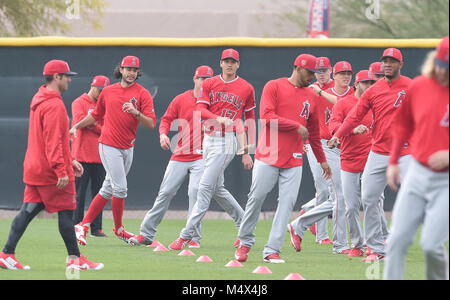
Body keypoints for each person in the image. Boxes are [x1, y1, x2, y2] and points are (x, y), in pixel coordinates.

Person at [0, 60, 103, 270]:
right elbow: (53, 140)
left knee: (27, 211)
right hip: (50, 172)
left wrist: (71, 160)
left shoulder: (39, 98)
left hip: (35, 167)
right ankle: (75, 258)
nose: (69, 80)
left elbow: (56, 139)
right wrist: (61, 169)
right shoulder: (54, 104)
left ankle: (6, 253)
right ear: (56, 77)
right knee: (66, 212)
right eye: (66, 76)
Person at [129, 65, 244, 248]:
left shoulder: (215, 102)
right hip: (180, 153)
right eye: (201, 79)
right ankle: (146, 233)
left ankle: (193, 238)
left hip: (202, 155)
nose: (204, 82)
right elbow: (166, 120)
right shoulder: (181, 99)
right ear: (194, 79)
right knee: (165, 193)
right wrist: (163, 134)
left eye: (208, 79)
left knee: (195, 193)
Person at [234, 54, 332, 263]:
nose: (312, 77)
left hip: (294, 158)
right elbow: (267, 118)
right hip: (268, 153)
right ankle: (244, 241)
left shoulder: (312, 95)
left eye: (314, 73)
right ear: (297, 68)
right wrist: (295, 126)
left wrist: (322, 159)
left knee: (287, 204)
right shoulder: (274, 86)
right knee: (256, 198)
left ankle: (271, 250)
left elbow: (313, 132)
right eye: (309, 72)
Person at [328, 48, 412, 261]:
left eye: (392, 61)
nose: (388, 64)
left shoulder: (412, 86)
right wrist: (338, 135)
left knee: (416, 195)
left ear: (400, 64)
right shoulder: (374, 91)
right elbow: (354, 117)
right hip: (379, 151)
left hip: (406, 151)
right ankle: (376, 249)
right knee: (368, 198)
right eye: (385, 61)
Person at [168, 49, 255, 251]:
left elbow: (248, 118)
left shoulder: (246, 88)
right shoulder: (209, 83)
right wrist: (217, 119)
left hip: (226, 142)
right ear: (221, 63)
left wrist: (246, 149)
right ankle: (244, 224)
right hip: (208, 139)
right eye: (226, 61)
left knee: (203, 188)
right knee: (217, 189)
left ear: (238, 65)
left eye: (233, 61)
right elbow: (200, 110)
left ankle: (185, 236)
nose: (230, 64)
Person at [70, 56, 156, 245]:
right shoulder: (108, 92)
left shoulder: (143, 94)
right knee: (121, 188)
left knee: (108, 188)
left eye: (134, 70)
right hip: (108, 145)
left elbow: (151, 124)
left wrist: (137, 113)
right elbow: (95, 115)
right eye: (128, 69)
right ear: (121, 70)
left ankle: (82, 225)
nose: (131, 73)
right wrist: (76, 126)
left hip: (128, 147)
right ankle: (118, 229)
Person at [384, 36, 449, 280]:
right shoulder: (420, 86)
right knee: (396, 240)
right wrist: (392, 162)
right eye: (441, 64)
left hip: (446, 182)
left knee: (431, 245)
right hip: (417, 173)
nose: (443, 71)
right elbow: (401, 125)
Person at [288, 61, 353, 254]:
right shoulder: (312, 92)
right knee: (332, 192)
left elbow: (344, 105)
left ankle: (303, 219)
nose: (322, 74)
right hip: (324, 145)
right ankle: (328, 238)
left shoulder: (339, 92)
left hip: (346, 146)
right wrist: (302, 142)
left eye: (325, 70)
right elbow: (303, 118)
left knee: (343, 195)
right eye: (318, 71)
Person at [328, 70, 376, 257]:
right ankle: (357, 245)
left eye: (372, 83)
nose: (369, 86)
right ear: (356, 85)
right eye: (365, 83)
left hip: (371, 160)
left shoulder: (376, 105)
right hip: (348, 160)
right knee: (351, 206)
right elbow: (333, 127)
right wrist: (352, 129)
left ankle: (374, 243)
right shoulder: (343, 104)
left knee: (373, 203)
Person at [71, 75, 110, 238]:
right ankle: (76, 225)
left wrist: (94, 125)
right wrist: (98, 127)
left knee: (99, 194)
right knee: (79, 195)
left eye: (103, 92)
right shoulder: (79, 102)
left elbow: (107, 126)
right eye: (99, 90)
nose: (100, 94)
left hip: (100, 156)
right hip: (81, 155)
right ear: (92, 86)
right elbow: (81, 121)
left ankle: (96, 228)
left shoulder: (105, 105)